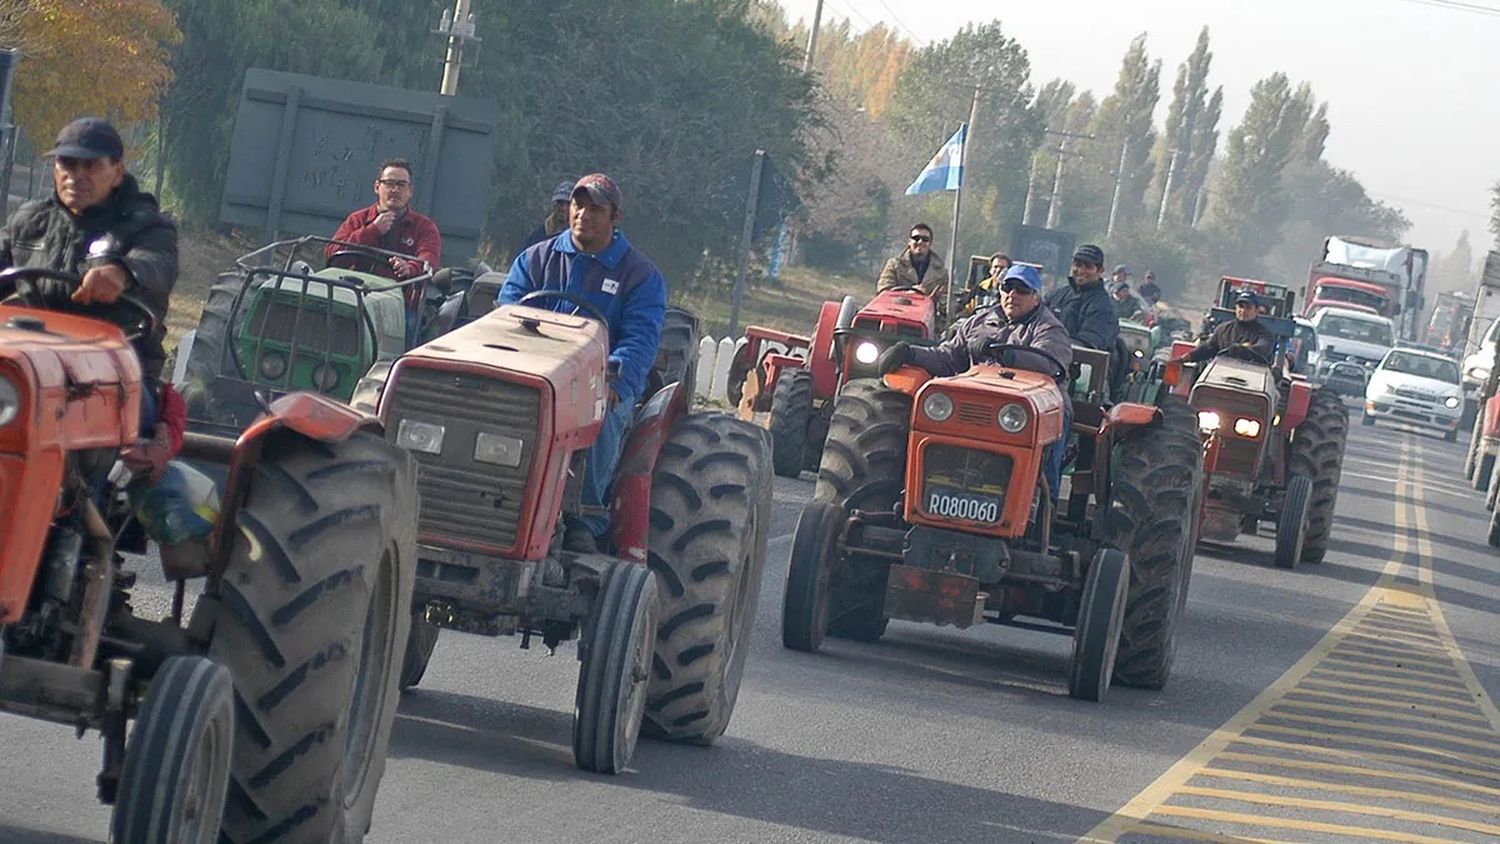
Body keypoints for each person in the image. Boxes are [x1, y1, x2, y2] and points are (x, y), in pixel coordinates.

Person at [0, 117, 182, 478]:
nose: (76, 175)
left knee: (80, 418)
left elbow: (158, 264)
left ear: (117, 171)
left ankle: (83, 511)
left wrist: (123, 272)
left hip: (118, 376)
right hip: (26, 369)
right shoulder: (28, 222)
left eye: (91, 165)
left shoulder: (149, 228)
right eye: (67, 164)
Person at [498, 174, 666, 552]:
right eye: (578, 205)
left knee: (602, 416)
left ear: (615, 216)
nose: (583, 215)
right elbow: (507, 314)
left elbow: (640, 338)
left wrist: (614, 381)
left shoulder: (639, 275)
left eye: (595, 209)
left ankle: (584, 517)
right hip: (536, 372)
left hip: (597, 380)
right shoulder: (536, 259)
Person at [877, 264, 1073, 501]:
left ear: (1036, 297)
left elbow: (1050, 364)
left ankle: (1043, 502)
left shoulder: (1050, 328)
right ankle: (921, 490)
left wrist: (1006, 354)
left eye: (1022, 290)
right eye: (1007, 287)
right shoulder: (978, 321)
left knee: (1053, 423)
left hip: (1024, 408)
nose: (1012, 295)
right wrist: (910, 353)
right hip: (977, 400)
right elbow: (949, 357)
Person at [327, 158, 442, 282]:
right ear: (377, 187)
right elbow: (333, 257)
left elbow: (429, 261)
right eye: (389, 183)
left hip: (398, 295)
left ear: (410, 191)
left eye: (401, 185)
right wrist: (372, 231)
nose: (395, 190)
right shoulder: (357, 219)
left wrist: (409, 268)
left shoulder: (424, 227)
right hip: (354, 291)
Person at [1043, 244, 1119, 351]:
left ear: (1100, 270)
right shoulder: (1056, 295)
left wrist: (1054, 344)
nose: (1081, 270)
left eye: (1088, 266)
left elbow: (1090, 342)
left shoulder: (1104, 307)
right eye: (1078, 265)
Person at [1182, 290, 1277, 364]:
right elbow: (1208, 348)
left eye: (1248, 307)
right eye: (1240, 306)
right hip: (1220, 370)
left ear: (1256, 311)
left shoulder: (1264, 334)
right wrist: (1186, 358)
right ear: (1235, 308)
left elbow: (1263, 348)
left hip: (1252, 376)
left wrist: (1244, 349)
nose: (1243, 311)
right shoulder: (1223, 330)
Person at [877, 223, 949, 300]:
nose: (920, 242)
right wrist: (908, 294)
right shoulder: (894, 265)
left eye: (925, 239)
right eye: (916, 238)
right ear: (909, 242)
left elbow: (946, 300)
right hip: (897, 309)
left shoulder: (941, 273)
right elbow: (883, 291)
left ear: (930, 243)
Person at [520, 179, 576, 252]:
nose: (564, 208)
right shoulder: (538, 236)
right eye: (560, 203)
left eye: (568, 203)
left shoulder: (583, 235)